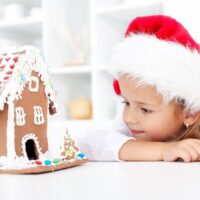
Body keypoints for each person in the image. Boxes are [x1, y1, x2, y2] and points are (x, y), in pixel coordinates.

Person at [77, 15, 200, 162]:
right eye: (126, 103)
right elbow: (88, 143)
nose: (129, 118)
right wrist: (163, 150)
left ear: (190, 113)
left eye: (145, 110)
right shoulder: (130, 128)